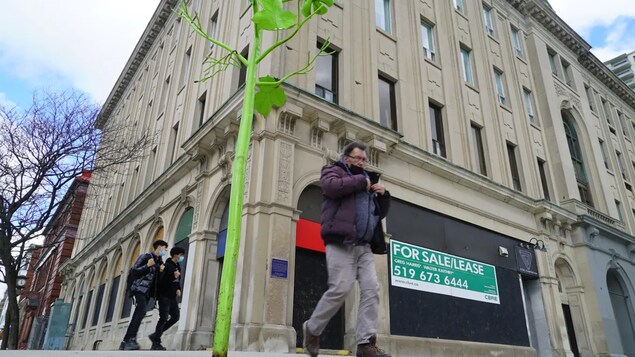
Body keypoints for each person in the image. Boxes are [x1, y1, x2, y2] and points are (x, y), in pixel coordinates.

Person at [303, 142, 391, 357]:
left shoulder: (368, 181)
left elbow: (378, 214)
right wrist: (362, 181)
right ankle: (312, 329)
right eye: (358, 158)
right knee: (340, 289)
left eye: (364, 159)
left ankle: (365, 344)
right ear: (346, 157)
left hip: (364, 246)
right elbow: (331, 188)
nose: (361, 162)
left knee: (372, 289)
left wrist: (383, 195)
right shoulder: (333, 171)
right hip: (341, 242)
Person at [119, 240, 168, 350]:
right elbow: (134, 271)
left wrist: (161, 272)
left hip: (147, 292)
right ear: (159, 247)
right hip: (138, 288)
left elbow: (156, 281)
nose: (165, 251)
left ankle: (126, 341)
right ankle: (129, 339)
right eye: (165, 248)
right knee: (141, 311)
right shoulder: (146, 257)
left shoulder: (160, 262)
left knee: (140, 312)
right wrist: (147, 265)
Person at [149, 246, 185, 350]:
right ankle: (156, 343)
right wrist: (174, 276)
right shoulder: (166, 265)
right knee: (163, 318)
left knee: (175, 317)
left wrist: (178, 288)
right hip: (164, 296)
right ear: (175, 255)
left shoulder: (178, 266)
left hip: (172, 297)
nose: (182, 257)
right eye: (181, 255)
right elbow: (162, 281)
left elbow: (177, 281)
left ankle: (155, 335)